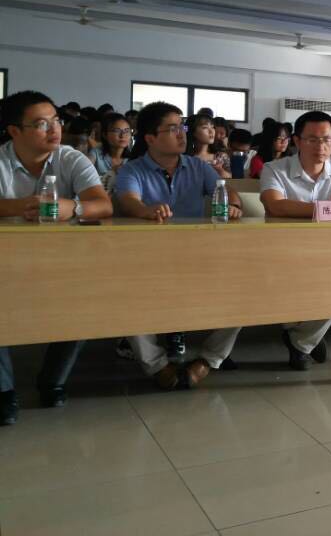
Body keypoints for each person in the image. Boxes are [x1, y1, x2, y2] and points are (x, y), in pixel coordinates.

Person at [0, 91, 113, 425]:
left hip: (60, 260)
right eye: (41, 123)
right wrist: (19, 206)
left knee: (86, 296)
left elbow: (103, 205)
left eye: (56, 120)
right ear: (14, 131)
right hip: (6, 261)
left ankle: (53, 379)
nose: (54, 129)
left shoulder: (71, 158)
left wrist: (72, 207)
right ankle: (4, 390)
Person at [114, 102, 243, 389]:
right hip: (146, 257)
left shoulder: (198, 167)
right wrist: (145, 210)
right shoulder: (132, 170)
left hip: (196, 254)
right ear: (150, 138)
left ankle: (208, 360)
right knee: (126, 296)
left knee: (242, 289)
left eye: (182, 127)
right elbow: (129, 201)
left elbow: (226, 191)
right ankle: (157, 365)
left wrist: (234, 205)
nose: (182, 134)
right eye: (172, 129)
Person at [260, 111, 331, 368]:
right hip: (283, 251)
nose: (321, 146)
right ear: (297, 141)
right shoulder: (274, 169)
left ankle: (301, 341)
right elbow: (276, 206)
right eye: (312, 139)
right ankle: (307, 337)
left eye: (327, 140)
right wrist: (330, 209)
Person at [88, 112, 132, 189]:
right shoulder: (95, 154)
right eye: (117, 131)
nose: (122, 135)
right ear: (105, 135)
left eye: (127, 131)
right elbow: (85, 178)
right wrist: (112, 172)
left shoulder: (133, 158)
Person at [186, 114, 231, 179]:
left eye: (212, 127)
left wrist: (220, 171)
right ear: (193, 132)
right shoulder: (184, 158)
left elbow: (232, 178)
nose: (211, 131)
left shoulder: (221, 157)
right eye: (205, 127)